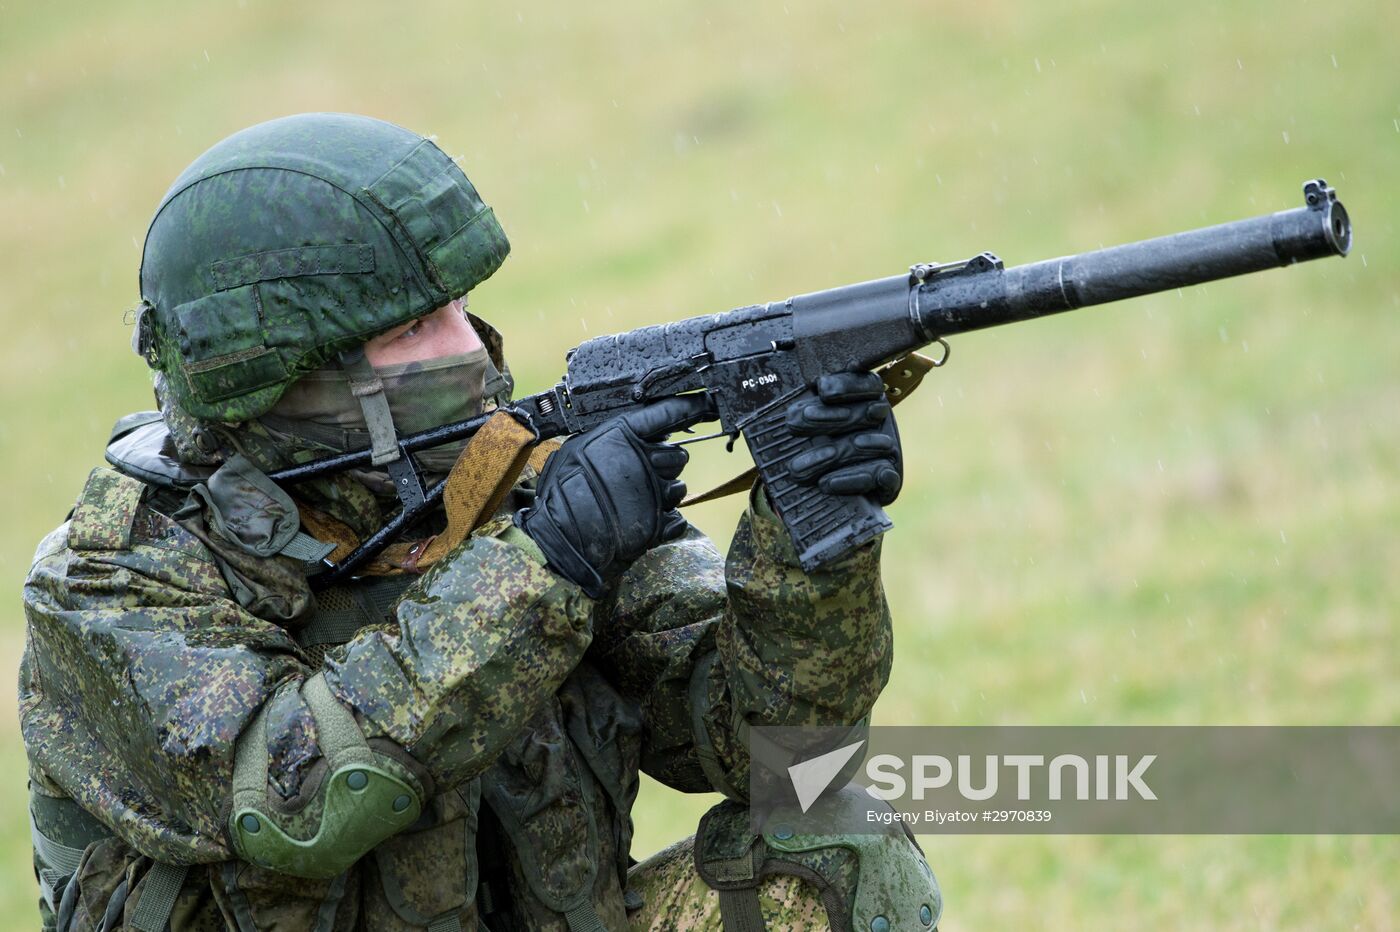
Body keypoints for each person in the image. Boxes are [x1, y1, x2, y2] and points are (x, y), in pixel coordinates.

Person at [20, 112, 940, 931]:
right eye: (414, 330)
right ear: (284, 376)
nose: (470, 348)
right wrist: (544, 571)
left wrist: (808, 541)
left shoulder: (517, 489)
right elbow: (298, 805)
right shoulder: (112, 580)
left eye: (460, 309)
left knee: (836, 844)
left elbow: (779, 757)